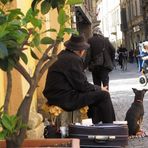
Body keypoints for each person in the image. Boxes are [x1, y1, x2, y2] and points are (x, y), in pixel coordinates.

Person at [43, 34, 115, 124]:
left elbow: (79, 84)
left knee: (93, 95)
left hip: (56, 95)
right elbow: (82, 86)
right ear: (81, 50)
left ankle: (95, 125)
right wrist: (100, 88)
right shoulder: (73, 59)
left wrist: (95, 89)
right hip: (64, 98)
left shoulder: (63, 55)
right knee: (104, 95)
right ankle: (111, 127)